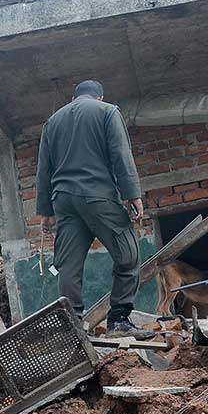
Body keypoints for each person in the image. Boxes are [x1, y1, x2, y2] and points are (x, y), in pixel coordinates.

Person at [35, 79, 144, 335]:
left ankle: (73, 329)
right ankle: (118, 320)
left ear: (74, 99)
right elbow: (120, 154)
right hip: (97, 195)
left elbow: (43, 170)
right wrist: (132, 195)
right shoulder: (107, 111)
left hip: (64, 201)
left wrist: (46, 211)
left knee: (68, 267)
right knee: (128, 255)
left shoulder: (52, 122)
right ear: (99, 97)